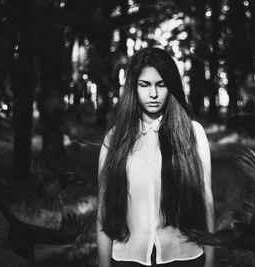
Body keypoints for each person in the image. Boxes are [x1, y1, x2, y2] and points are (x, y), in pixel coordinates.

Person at [97, 47, 215, 267]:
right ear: (133, 87)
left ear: (171, 86)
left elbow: (206, 201)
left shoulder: (193, 133)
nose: (153, 94)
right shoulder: (114, 139)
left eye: (161, 85)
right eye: (145, 85)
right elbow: (104, 210)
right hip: (127, 259)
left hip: (185, 257)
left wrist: (211, 261)